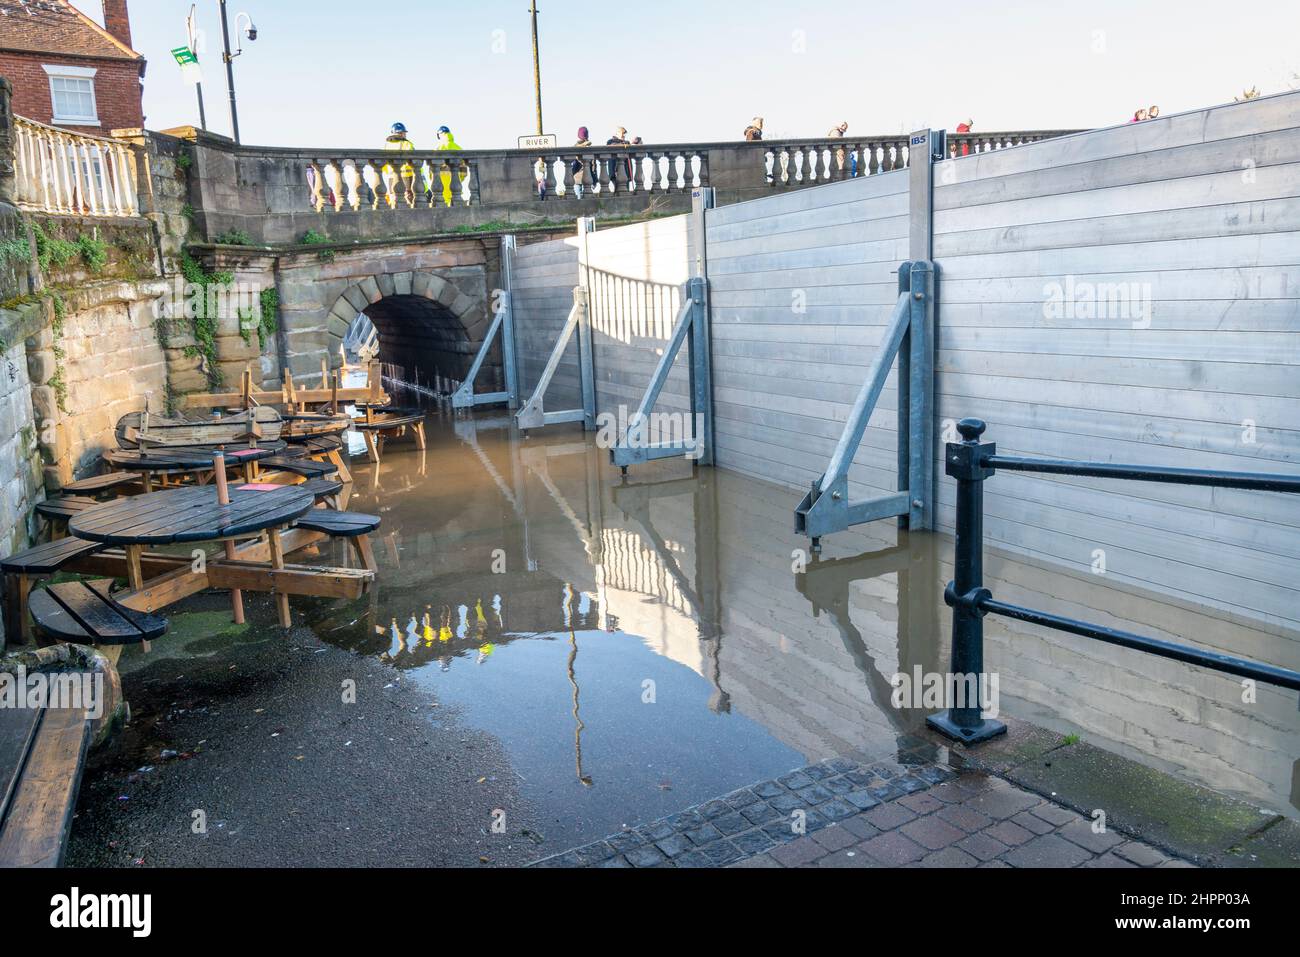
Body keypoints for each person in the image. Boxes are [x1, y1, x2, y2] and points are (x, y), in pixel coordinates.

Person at [382, 122, 416, 209]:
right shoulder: (407, 144)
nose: (405, 135)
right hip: (406, 176)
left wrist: (388, 172)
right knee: (408, 199)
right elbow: (414, 161)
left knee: (393, 198)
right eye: (404, 133)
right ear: (401, 133)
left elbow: (383, 163)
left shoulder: (387, 145)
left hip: (391, 177)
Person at [435, 125, 462, 206]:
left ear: (439, 135)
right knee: (457, 201)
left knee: (444, 202)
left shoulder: (438, 148)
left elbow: (433, 168)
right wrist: (461, 178)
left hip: (441, 180)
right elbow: (464, 169)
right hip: (457, 179)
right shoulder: (458, 147)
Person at [572, 126, 593, 199]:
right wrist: (595, 179)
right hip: (588, 177)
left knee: (578, 201)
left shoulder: (574, 148)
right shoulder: (590, 148)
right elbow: (593, 166)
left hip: (577, 178)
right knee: (588, 201)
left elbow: (573, 166)